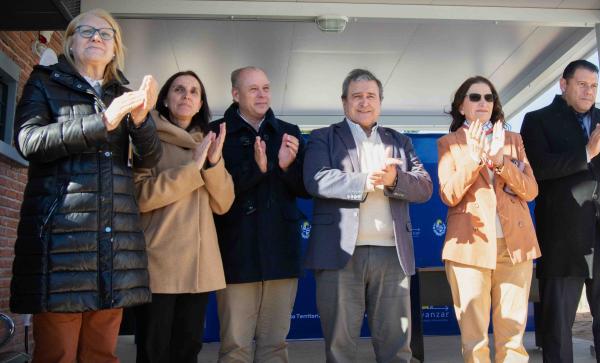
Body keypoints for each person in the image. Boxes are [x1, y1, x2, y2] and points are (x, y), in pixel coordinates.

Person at [10, 8, 162, 363]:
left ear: (115, 49)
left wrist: (140, 121)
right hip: (62, 244)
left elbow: (149, 159)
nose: (96, 37)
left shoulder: (124, 94)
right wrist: (103, 122)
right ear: (72, 43)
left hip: (114, 245)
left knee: (101, 354)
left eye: (106, 34)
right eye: (87, 31)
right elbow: (28, 141)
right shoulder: (44, 82)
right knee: (56, 354)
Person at [303, 68, 433, 363]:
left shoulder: (400, 141)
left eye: (370, 96)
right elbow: (317, 179)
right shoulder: (324, 137)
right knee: (340, 347)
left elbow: (424, 187)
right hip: (339, 256)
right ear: (344, 102)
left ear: (380, 102)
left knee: (396, 346)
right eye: (357, 96)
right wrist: (366, 181)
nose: (364, 102)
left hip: (392, 256)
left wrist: (393, 179)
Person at [520, 59, 600, 362]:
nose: (589, 91)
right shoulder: (537, 120)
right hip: (562, 240)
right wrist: (586, 153)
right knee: (558, 332)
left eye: (594, 86)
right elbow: (538, 169)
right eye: (582, 84)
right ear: (564, 84)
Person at [133, 70, 235, 363]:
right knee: (153, 351)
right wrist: (191, 169)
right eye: (179, 89)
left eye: (194, 91)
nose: (186, 96)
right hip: (160, 265)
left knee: (187, 351)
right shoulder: (146, 136)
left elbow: (224, 203)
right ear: (165, 98)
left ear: (201, 102)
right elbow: (140, 197)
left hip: (199, 268)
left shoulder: (208, 142)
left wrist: (213, 164)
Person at [437, 76, 540, 362]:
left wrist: (500, 163)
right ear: (461, 106)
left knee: (513, 339)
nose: (483, 102)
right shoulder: (449, 143)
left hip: (515, 246)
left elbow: (530, 191)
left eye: (489, 97)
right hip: (470, 251)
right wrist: (475, 158)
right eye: (475, 97)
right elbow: (449, 194)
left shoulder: (513, 140)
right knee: (475, 340)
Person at [211, 66, 308, 363]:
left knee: (275, 344)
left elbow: (305, 190)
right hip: (236, 252)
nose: (262, 94)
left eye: (265, 87)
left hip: (281, 252)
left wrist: (288, 166)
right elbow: (215, 193)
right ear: (235, 94)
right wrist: (257, 169)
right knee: (235, 346)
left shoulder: (289, 132)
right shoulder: (215, 133)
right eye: (253, 89)